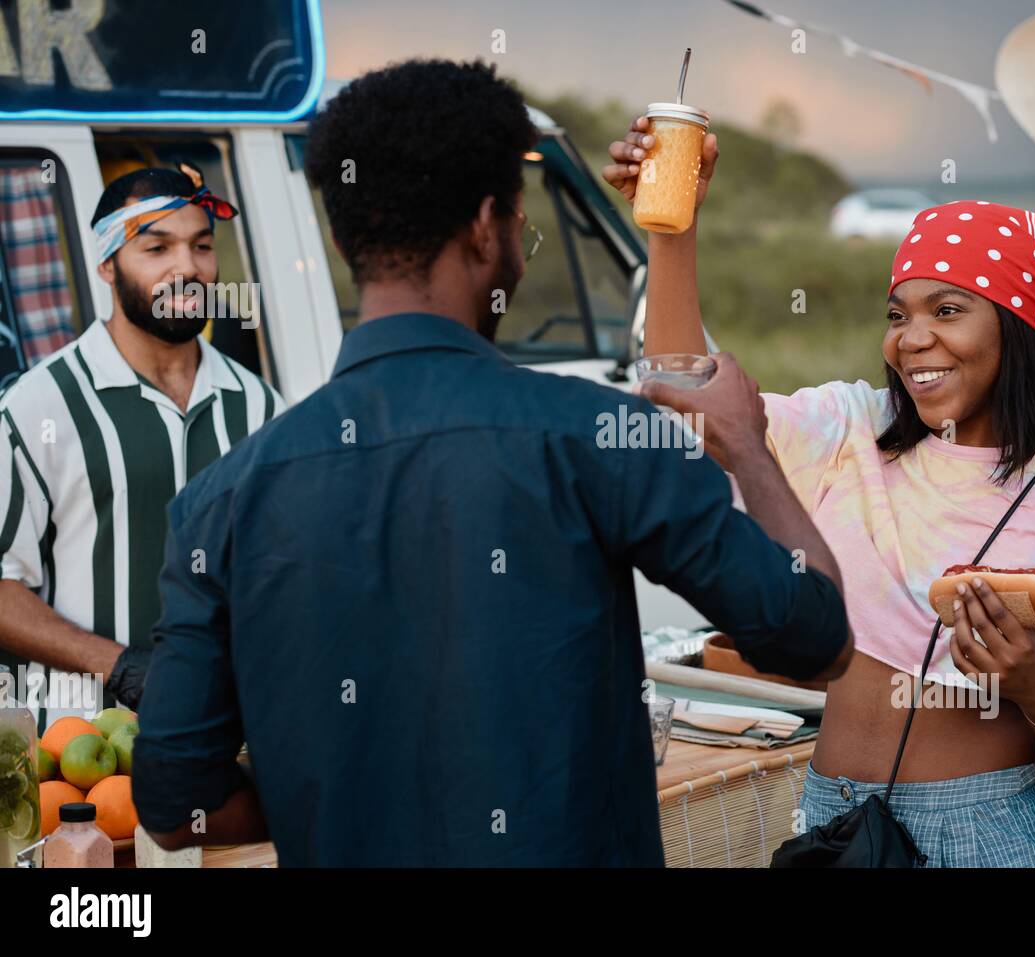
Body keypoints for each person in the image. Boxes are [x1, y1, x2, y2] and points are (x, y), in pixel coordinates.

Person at [131, 59, 852, 867]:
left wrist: (346, 798)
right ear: (486, 227)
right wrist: (747, 448)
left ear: (341, 238)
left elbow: (174, 802)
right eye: (519, 220)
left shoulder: (221, 499)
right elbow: (813, 637)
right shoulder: (597, 436)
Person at [604, 117, 1035, 866]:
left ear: (1015, 331)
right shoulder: (852, 431)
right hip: (831, 825)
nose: (912, 338)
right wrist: (674, 223)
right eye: (898, 315)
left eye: (947, 310)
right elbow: (688, 397)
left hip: (982, 835)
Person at [0, 167, 283, 730]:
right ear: (107, 264)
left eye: (202, 246)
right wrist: (123, 668)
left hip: (226, 749)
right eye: (157, 247)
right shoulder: (37, 406)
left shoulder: (261, 408)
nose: (188, 268)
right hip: (77, 761)